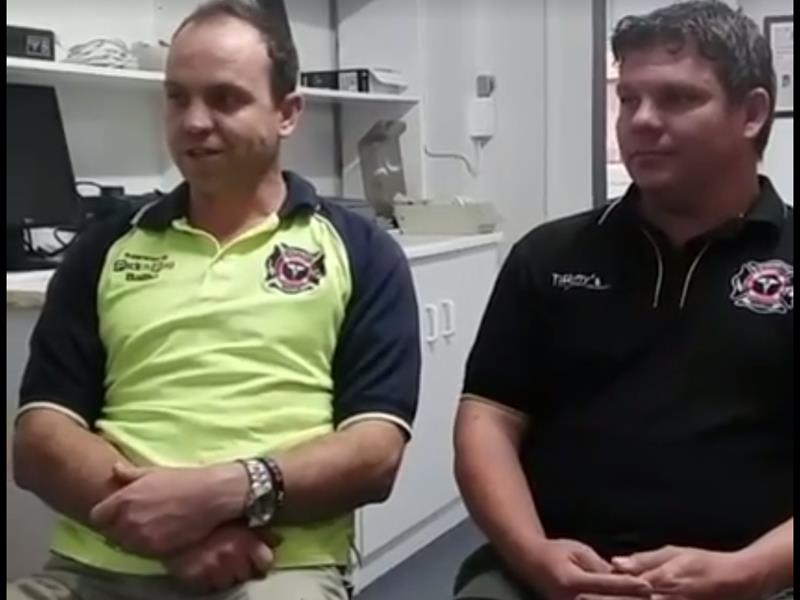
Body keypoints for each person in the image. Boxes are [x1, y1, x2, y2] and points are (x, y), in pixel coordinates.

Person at [7, 1, 420, 599]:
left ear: (287, 112)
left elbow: (374, 454)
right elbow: (40, 439)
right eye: (178, 98)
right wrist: (176, 537)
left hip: (271, 568)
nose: (194, 122)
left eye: (225, 99)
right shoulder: (103, 249)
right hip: (94, 569)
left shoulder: (361, 253)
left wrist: (231, 491)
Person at [453, 2, 793, 599]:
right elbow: (488, 424)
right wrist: (534, 555)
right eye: (628, 98)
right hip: (555, 570)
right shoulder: (550, 255)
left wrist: (748, 572)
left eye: (677, 98)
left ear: (752, 113)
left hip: (759, 578)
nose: (640, 120)